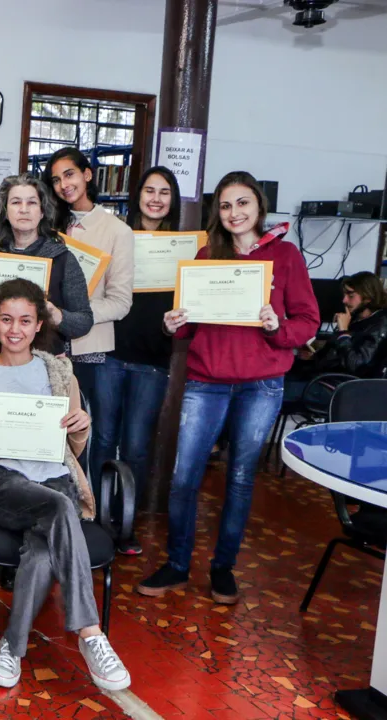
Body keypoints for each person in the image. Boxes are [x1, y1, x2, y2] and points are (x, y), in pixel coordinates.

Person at [136, 171, 318, 605]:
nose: (234, 213)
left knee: (238, 478)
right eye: (225, 205)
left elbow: (307, 321)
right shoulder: (206, 256)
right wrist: (173, 324)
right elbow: (189, 324)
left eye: (242, 203)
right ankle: (178, 564)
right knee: (184, 478)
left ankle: (223, 568)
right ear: (218, 212)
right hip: (206, 382)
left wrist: (278, 327)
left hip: (261, 385)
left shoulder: (287, 256)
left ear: (258, 206)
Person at [0, 278, 130, 692]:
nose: (15, 329)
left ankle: (12, 644)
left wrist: (82, 424)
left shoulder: (59, 371)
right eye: (7, 319)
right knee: (60, 511)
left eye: (25, 321)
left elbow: (74, 445)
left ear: (38, 324)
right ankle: (90, 631)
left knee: (43, 549)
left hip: (54, 477)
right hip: (0, 483)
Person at [93, 166, 183, 555]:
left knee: (136, 447)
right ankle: (94, 519)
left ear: (173, 201)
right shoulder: (116, 236)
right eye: (149, 190)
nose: (156, 199)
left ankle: (124, 524)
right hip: (110, 352)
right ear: (138, 194)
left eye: (165, 192)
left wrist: (173, 325)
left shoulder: (186, 248)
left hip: (153, 359)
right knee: (103, 438)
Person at [45, 147, 134, 498]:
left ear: (87, 175)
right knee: (51, 431)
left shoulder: (117, 231)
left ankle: (92, 509)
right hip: (48, 347)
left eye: (69, 174)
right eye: (55, 179)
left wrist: (73, 316)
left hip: (91, 349)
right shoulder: (50, 226)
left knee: (95, 436)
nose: (63, 184)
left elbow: (122, 302)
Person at [0, 174, 93, 358]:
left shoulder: (63, 259)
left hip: (45, 364)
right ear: (5, 210)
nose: (24, 210)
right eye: (16, 202)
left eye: (32, 203)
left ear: (42, 212)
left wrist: (55, 314)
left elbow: (84, 322)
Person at [300, 271, 387, 378]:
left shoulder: (380, 325)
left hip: (342, 384)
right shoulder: (355, 316)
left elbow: (355, 365)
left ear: (368, 298)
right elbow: (337, 349)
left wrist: (343, 333)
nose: (344, 300)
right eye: (344, 295)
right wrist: (315, 357)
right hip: (325, 372)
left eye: (350, 296)